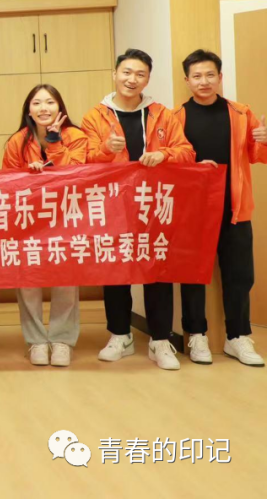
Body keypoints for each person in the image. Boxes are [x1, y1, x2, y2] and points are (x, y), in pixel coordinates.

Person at [81, 48, 195, 371]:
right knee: (115, 271)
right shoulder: (94, 116)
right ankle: (120, 335)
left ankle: (160, 339)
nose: (132, 79)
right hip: (113, 205)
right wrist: (106, 149)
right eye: (127, 72)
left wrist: (164, 155)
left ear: (147, 79)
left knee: (157, 270)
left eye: (140, 74)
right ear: (115, 74)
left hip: (153, 205)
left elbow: (187, 152)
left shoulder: (162, 114)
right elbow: (83, 160)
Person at [174, 49, 266, 367]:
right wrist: (193, 167)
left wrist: (265, 140)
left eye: (210, 75)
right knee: (192, 276)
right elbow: (170, 162)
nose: (204, 81)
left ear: (220, 77)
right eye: (197, 76)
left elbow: (258, 155)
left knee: (240, 276)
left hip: (235, 209)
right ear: (187, 80)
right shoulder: (176, 118)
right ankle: (197, 335)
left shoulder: (240, 113)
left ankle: (237, 337)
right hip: (192, 212)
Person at [1, 85, 87, 367]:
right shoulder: (17, 141)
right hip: (28, 221)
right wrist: (29, 177)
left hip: (66, 218)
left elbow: (77, 173)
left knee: (66, 280)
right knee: (28, 280)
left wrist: (54, 143)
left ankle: (62, 340)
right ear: (29, 110)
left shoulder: (75, 136)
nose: (43, 108)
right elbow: (7, 183)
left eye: (50, 102)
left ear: (60, 107)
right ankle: (36, 340)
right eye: (37, 103)